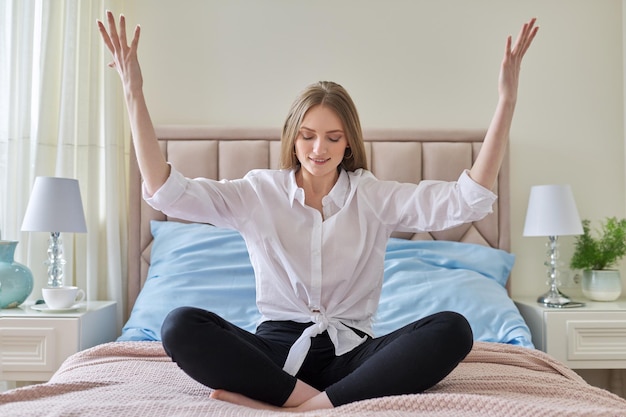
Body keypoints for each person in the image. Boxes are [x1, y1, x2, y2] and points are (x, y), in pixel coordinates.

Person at [98, 11, 538, 412]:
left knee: (454, 329)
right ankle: (315, 402)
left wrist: (507, 104)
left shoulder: (373, 196)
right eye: (307, 136)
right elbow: (167, 192)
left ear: (348, 142)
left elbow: (466, 199)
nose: (318, 148)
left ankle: (302, 405)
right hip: (272, 357)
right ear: (293, 138)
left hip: (355, 360)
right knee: (178, 325)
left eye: (332, 137)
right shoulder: (258, 192)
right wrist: (133, 92)